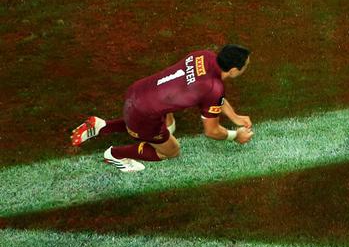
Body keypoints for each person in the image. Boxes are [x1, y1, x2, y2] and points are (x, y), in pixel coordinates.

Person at [71, 44, 254, 172]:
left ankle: (101, 127)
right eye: (245, 66)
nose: (247, 67)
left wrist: (234, 116)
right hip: (142, 115)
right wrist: (235, 135)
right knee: (171, 150)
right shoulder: (213, 89)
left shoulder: (203, 56)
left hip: (137, 92)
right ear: (233, 70)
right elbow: (212, 131)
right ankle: (115, 154)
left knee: (163, 121)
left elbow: (214, 96)